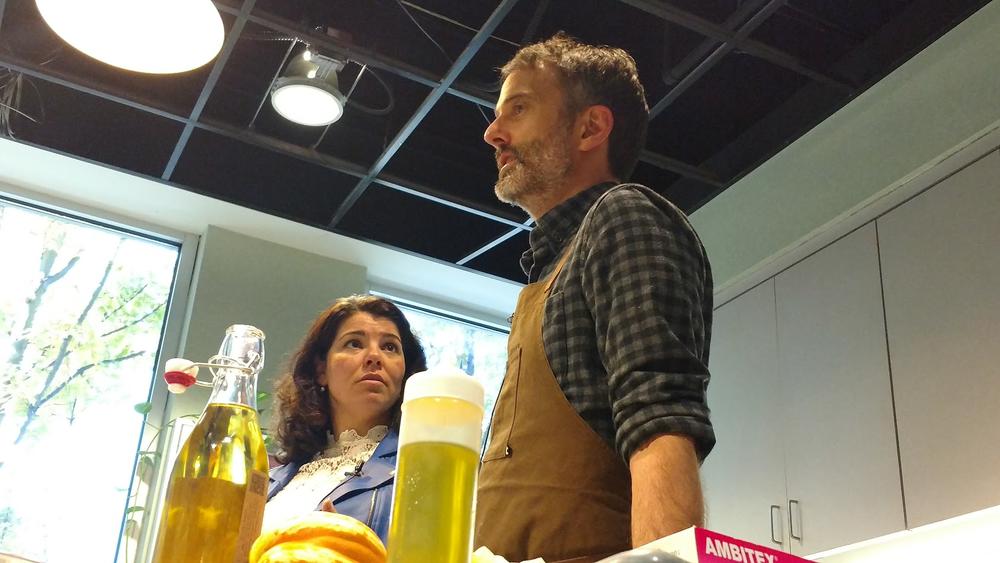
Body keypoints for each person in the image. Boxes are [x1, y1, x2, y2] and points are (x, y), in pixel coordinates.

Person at [476, 33, 715, 562]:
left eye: (518, 109)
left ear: (591, 128)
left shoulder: (623, 216)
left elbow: (661, 417)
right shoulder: (549, 270)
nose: (494, 133)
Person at [264, 295, 426, 545]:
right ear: (321, 370)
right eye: (354, 344)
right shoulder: (271, 478)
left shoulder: (421, 473)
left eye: (390, 347)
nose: (375, 356)